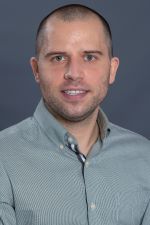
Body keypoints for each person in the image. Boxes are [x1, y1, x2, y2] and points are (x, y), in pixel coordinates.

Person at [0, 3, 150, 225]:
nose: (73, 73)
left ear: (112, 69)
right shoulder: (3, 157)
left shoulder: (145, 158)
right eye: (58, 58)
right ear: (36, 70)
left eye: (89, 57)